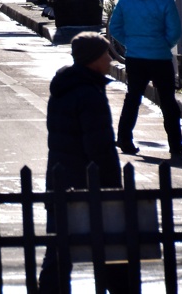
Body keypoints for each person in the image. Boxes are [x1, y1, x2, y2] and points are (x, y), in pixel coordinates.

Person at [37, 32, 128, 293]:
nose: (110, 61)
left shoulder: (64, 88)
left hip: (60, 181)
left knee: (58, 254)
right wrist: (113, 186)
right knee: (114, 252)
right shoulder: (89, 94)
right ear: (92, 59)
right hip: (89, 185)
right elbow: (99, 147)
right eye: (105, 55)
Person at [108, 0, 182, 157]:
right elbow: (175, 31)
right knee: (168, 101)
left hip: (135, 57)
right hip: (160, 57)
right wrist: (163, 44)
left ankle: (124, 139)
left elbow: (114, 27)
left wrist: (130, 42)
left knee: (133, 98)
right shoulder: (165, 2)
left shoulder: (126, 0)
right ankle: (175, 145)